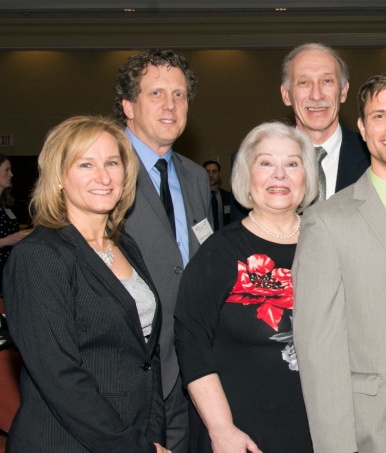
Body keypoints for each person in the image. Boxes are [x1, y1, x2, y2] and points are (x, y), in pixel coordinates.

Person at [293, 71, 386, 453]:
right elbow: (318, 359)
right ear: (361, 127)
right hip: (374, 433)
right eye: (379, 116)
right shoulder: (326, 222)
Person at [3, 115, 169, 453]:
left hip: (133, 432)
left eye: (112, 162)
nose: (104, 176)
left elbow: (145, 355)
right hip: (65, 440)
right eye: (85, 164)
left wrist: (152, 435)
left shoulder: (125, 246)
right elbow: (60, 377)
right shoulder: (40, 255)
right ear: (59, 177)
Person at [175, 122, 316, 453]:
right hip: (241, 435)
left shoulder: (328, 244)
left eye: (292, 164)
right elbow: (190, 341)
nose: (279, 175)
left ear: (306, 177)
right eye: (266, 163)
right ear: (246, 177)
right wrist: (221, 429)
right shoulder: (220, 251)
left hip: (317, 431)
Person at [115, 48, 212, 453]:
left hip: (192, 364)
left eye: (179, 95)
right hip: (129, 365)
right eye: (156, 94)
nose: (171, 105)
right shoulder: (105, 169)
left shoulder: (194, 176)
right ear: (128, 106)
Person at [231, 42, 370, 220]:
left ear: (343, 91)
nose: (316, 95)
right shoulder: (250, 163)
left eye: (327, 81)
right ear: (286, 94)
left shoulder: (374, 158)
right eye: (304, 83)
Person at [0, 155, 25, 295]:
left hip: (9, 271)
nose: (11, 174)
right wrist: (6, 241)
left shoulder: (5, 204)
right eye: (6, 170)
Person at [203, 159, 232, 230]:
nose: (211, 175)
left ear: (219, 174)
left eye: (214, 172)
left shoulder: (227, 196)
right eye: (207, 172)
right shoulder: (197, 197)